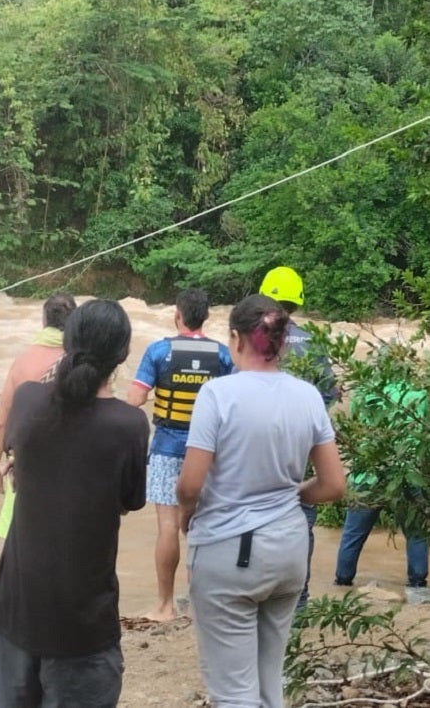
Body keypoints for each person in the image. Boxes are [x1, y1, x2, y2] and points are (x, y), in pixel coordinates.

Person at [177, 293, 345, 708]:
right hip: (289, 549)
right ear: (283, 342)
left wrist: (186, 517)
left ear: (236, 339)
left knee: (233, 692)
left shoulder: (217, 395)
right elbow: (333, 485)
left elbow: (190, 485)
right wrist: (295, 493)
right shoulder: (307, 396)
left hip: (229, 551)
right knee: (270, 683)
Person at [0, 299, 149, 708]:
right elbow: (128, 502)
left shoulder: (27, 401)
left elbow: (15, 448)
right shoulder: (128, 425)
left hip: (14, 610)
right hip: (83, 622)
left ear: (66, 341)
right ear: (122, 356)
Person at [123, 288, 234, 621]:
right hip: (210, 453)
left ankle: (165, 605)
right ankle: (202, 604)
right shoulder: (224, 355)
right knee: (204, 527)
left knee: (168, 527)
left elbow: (135, 399)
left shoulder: (159, 351)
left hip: (167, 449)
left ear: (177, 315)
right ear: (207, 317)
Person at [259, 265, 338, 608]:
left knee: (257, 511)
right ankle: (299, 596)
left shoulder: (254, 341)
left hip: (260, 444)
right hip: (303, 445)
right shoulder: (313, 342)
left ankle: (261, 591)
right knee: (301, 513)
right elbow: (329, 394)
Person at [333, 367, 430, 603]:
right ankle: (418, 582)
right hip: (406, 473)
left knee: (353, 533)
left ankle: (343, 580)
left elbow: (355, 423)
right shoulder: (418, 393)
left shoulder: (365, 392)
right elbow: (424, 424)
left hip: (368, 473)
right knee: (416, 532)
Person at [0, 292, 77, 507]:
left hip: (28, 467)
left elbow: (1, 422)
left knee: (23, 536)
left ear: (44, 321)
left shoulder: (23, 362)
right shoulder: (84, 362)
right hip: (72, 469)